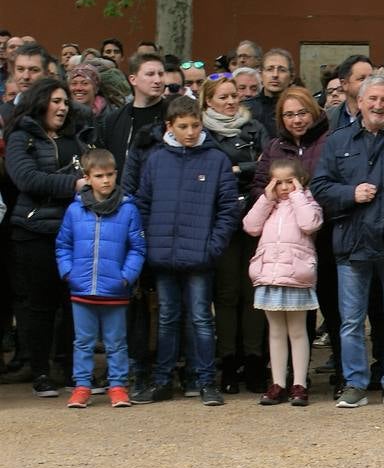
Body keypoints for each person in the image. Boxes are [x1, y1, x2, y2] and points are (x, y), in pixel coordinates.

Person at [311, 75, 384, 409]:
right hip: (351, 239)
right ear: (359, 102)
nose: (378, 105)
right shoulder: (338, 141)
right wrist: (350, 193)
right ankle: (355, 384)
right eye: (372, 99)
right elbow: (319, 187)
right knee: (350, 320)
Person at [130, 95, 240, 406]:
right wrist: (150, 242)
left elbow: (228, 209)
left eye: (195, 125)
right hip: (163, 254)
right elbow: (143, 204)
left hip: (200, 256)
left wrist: (212, 246)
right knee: (167, 317)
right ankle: (163, 380)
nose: (190, 132)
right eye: (183, 126)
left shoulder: (215, 159)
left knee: (201, 318)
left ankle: (205, 380)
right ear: (170, 127)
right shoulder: (156, 159)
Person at [5, 77, 95, 397]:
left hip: (74, 232)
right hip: (34, 233)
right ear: (40, 102)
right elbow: (26, 179)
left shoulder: (77, 136)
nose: (62, 107)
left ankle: (73, 369)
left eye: (66, 102)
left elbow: (94, 171)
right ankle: (41, 371)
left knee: (74, 304)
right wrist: (72, 185)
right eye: (56, 101)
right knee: (40, 307)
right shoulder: (21, 136)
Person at [55, 148, 145, 408]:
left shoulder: (128, 209)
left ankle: (117, 386)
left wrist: (126, 277)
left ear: (116, 174)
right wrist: (68, 272)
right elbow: (63, 244)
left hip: (115, 289)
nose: (105, 181)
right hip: (81, 289)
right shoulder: (75, 210)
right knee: (82, 341)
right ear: (87, 178)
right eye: (99, 176)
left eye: (109, 175)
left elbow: (137, 248)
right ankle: (82, 386)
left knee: (116, 342)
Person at [199, 74, 268, 393]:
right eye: (223, 97)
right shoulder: (201, 132)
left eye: (234, 96)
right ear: (209, 101)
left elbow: (267, 166)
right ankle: (228, 361)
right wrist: (244, 166)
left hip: (255, 216)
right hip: (219, 219)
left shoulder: (254, 128)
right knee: (226, 294)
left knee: (252, 290)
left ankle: (254, 359)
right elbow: (208, 173)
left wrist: (239, 169)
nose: (230, 102)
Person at [242, 158, 324, 406]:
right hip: (270, 275)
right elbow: (250, 226)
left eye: (290, 181)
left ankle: (299, 382)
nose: (285, 187)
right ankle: (277, 383)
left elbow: (310, 224)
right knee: (276, 332)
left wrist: (299, 195)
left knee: (298, 332)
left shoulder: (307, 202)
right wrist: (266, 198)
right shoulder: (269, 205)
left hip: (296, 276)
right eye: (279, 182)